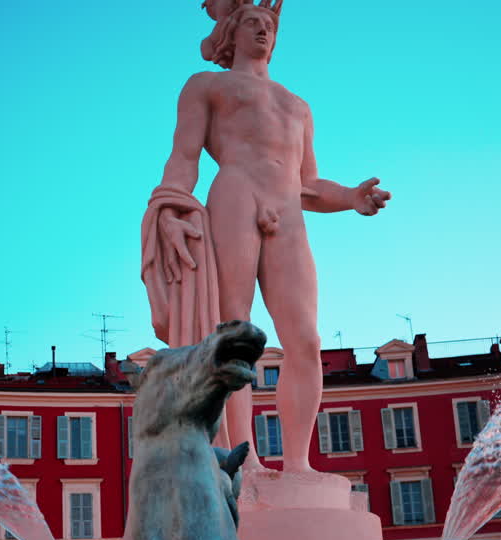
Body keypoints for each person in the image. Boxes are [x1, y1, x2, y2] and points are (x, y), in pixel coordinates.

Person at [141, 0, 391, 473]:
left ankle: (298, 465)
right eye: (253, 23)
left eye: (269, 26)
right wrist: (171, 203)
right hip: (235, 195)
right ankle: (246, 461)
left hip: (288, 210)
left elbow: (311, 184)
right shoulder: (207, 85)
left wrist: (352, 197)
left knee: (306, 339)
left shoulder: (297, 105)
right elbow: (184, 157)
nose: (263, 30)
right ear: (231, 34)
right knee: (235, 331)